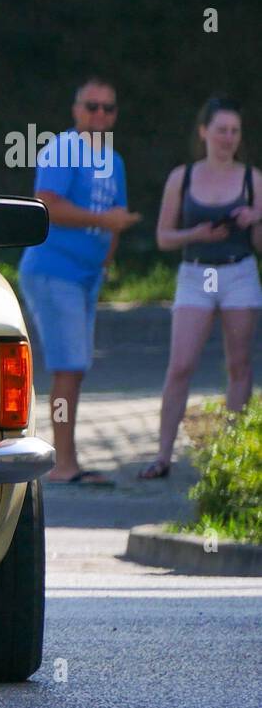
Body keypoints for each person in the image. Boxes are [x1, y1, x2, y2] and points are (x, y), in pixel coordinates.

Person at [17, 77, 141, 485]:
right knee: (68, 367)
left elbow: (118, 215)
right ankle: (62, 463)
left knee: (76, 368)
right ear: (76, 109)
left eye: (108, 108)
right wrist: (104, 222)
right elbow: (47, 205)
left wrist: (105, 261)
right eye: (92, 106)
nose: (100, 115)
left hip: (86, 276)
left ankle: (66, 456)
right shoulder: (62, 149)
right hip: (53, 271)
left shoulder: (116, 160)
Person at [140, 98, 259, 478]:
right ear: (204, 132)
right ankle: (162, 456)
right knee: (181, 365)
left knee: (239, 364)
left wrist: (256, 217)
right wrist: (197, 233)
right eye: (221, 130)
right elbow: (163, 237)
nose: (228, 138)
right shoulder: (183, 177)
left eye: (234, 131)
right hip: (195, 273)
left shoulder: (252, 180)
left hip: (238, 270)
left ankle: (233, 454)